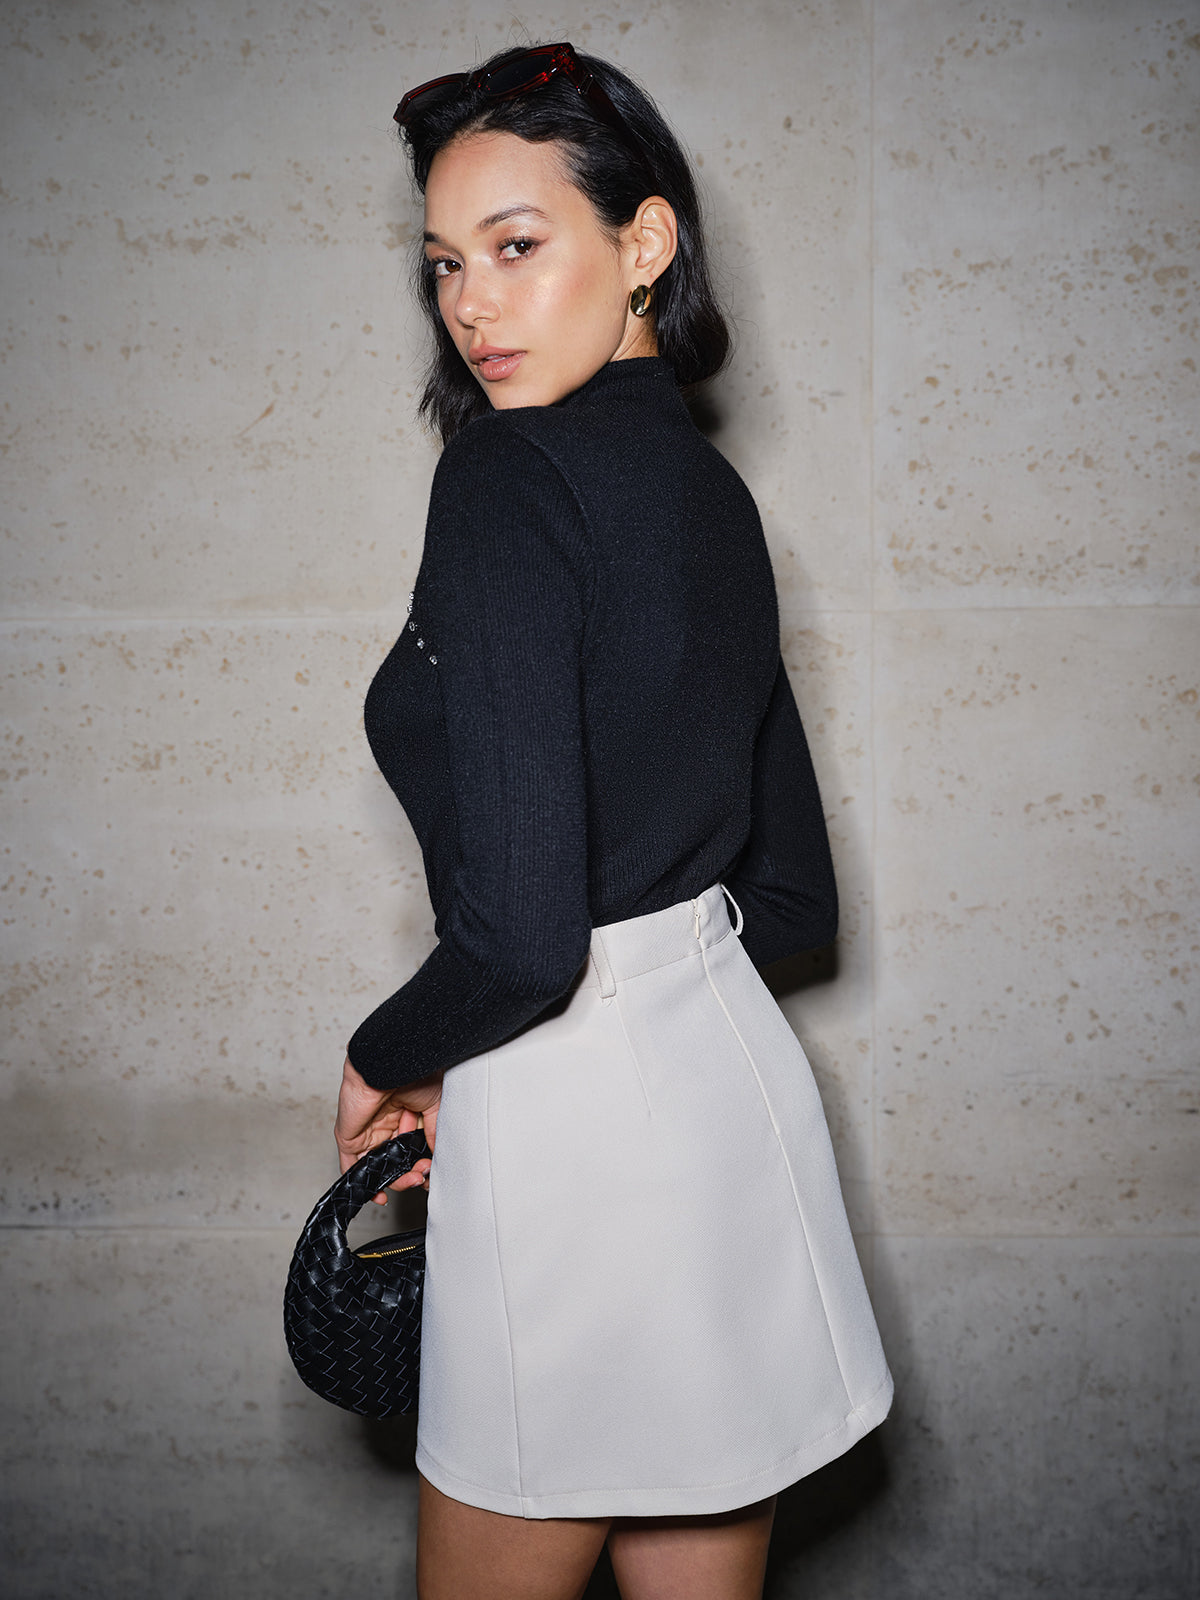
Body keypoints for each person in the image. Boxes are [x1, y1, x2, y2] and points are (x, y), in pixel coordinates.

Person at [332, 42, 892, 1600]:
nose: (471, 303)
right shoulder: (715, 497)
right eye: (445, 263)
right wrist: (651, 993)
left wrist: (389, 1058)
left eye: (517, 245)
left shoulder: (507, 480)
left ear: (645, 243)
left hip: (570, 1130)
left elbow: (523, 938)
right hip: (724, 1105)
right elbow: (792, 900)